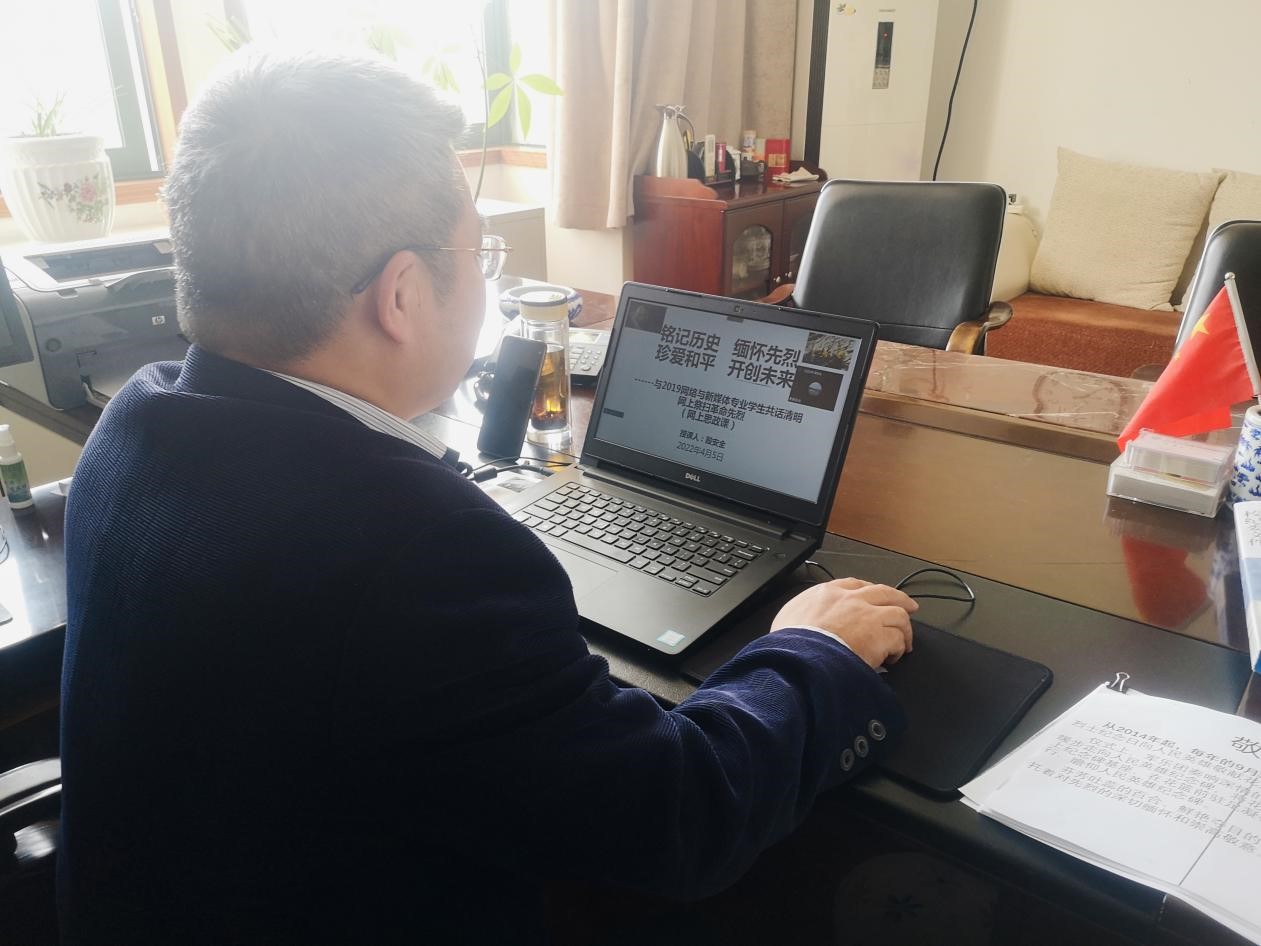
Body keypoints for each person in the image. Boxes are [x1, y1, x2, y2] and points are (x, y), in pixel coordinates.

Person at [59, 52, 916, 945]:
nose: (482, 279)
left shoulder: (137, 423)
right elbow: (679, 819)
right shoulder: (417, 550)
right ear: (400, 294)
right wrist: (812, 648)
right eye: (479, 255)